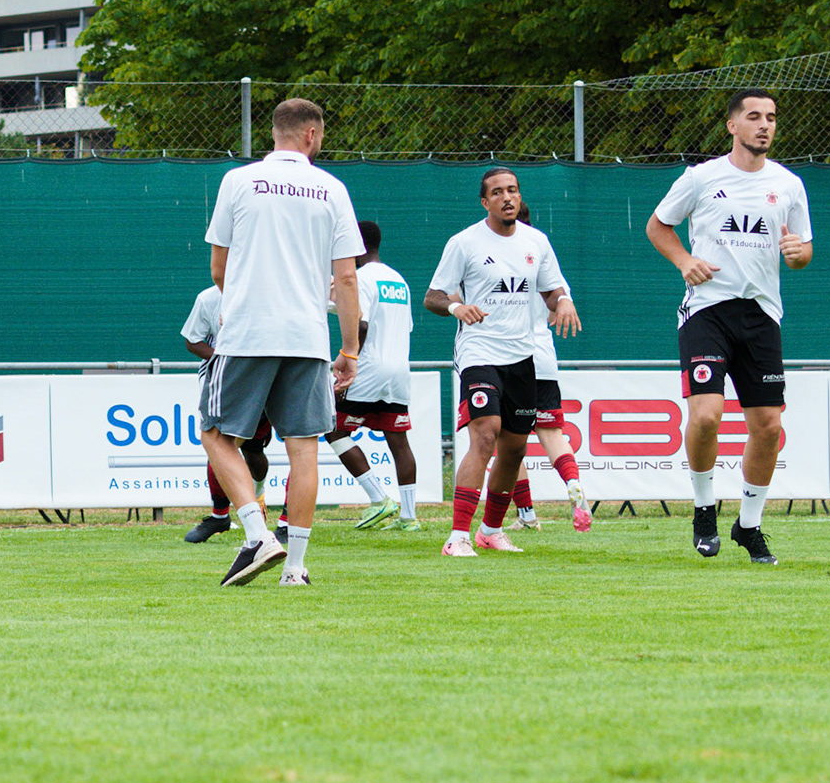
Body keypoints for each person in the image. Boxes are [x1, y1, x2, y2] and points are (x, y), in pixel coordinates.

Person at [202, 98, 364, 588]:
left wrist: (251, 302)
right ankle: (294, 568)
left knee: (216, 434)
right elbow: (348, 280)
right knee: (305, 450)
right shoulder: (333, 189)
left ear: (275, 133)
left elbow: (217, 268)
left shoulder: (238, 180)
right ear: (312, 135)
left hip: (250, 331)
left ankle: (256, 533)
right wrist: (350, 349)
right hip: (308, 337)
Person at [646, 89, 811, 565]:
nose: (765, 125)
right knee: (706, 416)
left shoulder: (790, 185)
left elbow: (803, 252)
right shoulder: (701, 178)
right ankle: (703, 508)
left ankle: (749, 525)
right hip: (708, 311)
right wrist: (684, 260)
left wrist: (800, 256)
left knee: (769, 426)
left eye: (772, 118)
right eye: (754, 117)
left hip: (762, 316)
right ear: (732, 126)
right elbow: (659, 226)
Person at [426, 167, 579, 557]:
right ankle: (457, 535)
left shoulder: (537, 242)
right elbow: (433, 296)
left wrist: (563, 302)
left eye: (512, 190)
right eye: (498, 192)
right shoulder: (465, 243)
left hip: (523, 357)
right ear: (485, 201)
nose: (507, 197)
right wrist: (457, 306)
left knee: (514, 449)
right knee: (486, 433)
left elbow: (552, 289)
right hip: (479, 352)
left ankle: (490, 530)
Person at [322, 220, 416, 532]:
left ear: (356, 247)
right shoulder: (398, 280)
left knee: (333, 428)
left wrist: (346, 357)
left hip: (368, 367)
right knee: (398, 440)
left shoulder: (359, 278)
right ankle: (409, 518)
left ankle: (379, 499)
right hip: (399, 370)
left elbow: (360, 324)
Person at [505, 204, 591, 534]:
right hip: (544, 358)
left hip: (511, 360)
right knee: (553, 434)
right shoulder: (541, 252)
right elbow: (559, 296)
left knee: (508, 442)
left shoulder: (498, 254)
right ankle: (573, 483)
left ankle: (526, 514)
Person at [180, 283, 272, 544]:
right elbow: (192, 340)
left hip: (263, 380)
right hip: (223, 383)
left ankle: (262, 501)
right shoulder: (209, 298)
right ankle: (220, 516)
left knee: (254, 450)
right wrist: (223, 361)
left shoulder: (268, 290)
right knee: (219, 445)